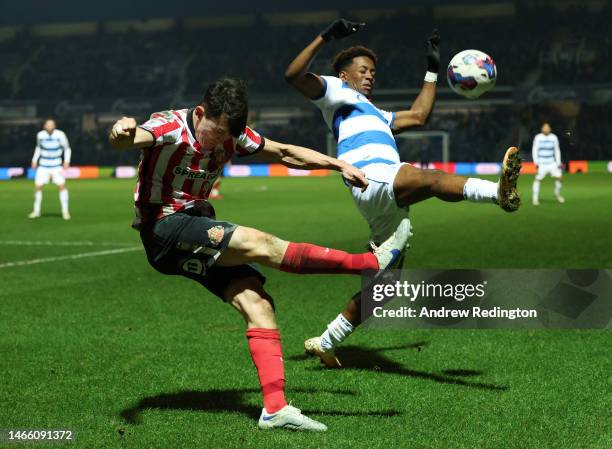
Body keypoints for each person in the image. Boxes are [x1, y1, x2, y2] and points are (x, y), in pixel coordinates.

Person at [109, 78, 410, 432]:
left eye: (227, 136)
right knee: (262, 244)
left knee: (258, 302)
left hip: (195, 228)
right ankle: (372, 263)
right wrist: (121, 129)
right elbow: (131, 138)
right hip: (165, 227)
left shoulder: (233, 134)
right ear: (202, 112)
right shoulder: (170, 126)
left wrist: (337, 164)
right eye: (216, 131)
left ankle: (275, 409)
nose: (221, 142)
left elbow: (284, 153)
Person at [284, 19, 521, 367]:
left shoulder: (377, 112)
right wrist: (325, 36)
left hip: (382, 195)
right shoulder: (335, 91)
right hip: (371, 177)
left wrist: (432, 70)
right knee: (432, 179)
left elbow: (421, 116)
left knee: (386, 287)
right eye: (363, 70)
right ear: (345, 75)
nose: (370, 76)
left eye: (373, 72)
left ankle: (326, 340)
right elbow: (293, 75)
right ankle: (497, 192)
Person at [29, 119, 72, 220]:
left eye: (51, 124)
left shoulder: (60, 135)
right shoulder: (40, 135)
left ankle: (65, 212)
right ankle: (36, 211)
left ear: (55, 126)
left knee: (61, 186)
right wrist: (34, 160)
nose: (50, 126)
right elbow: (38, 147)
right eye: (48, 125)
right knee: (38, 187)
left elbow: (67, 148)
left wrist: (67, 161)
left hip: (56, 165)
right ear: (44, 126)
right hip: (43, 165)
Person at [532, 122, 564, 205]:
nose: (546, 129)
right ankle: (535, 198)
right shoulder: (538, 137)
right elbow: (535, 150)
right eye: (544, 127)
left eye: (547, 127)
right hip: (542, 163)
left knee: (560, 177)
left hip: (552, 162)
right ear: (542, 129)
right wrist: (536, 162)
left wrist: (558, 162)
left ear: (550, 129)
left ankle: (557, 194)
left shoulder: (554, 137)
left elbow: (557, 150)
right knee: (538, 179)